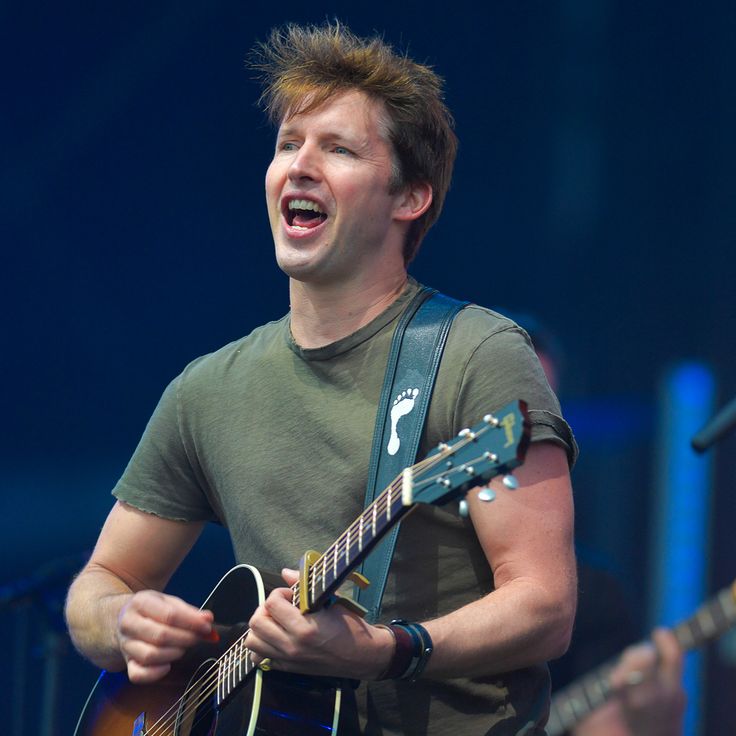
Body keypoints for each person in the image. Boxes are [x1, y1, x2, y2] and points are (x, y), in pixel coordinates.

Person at [64, 22, 578, 735]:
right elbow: (99, 583)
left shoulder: (476, 354)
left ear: (410, 198)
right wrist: (123, 619)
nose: (299, 166)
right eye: (287, 145)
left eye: (337, 148)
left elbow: (547, 608)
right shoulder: (206, 388)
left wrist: (386, 650)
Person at [516, 314, 686, 736]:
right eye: (503, 413)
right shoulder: (400, 563)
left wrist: (653, 722)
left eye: (543, 410)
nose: (521, 435)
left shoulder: (596, 591)